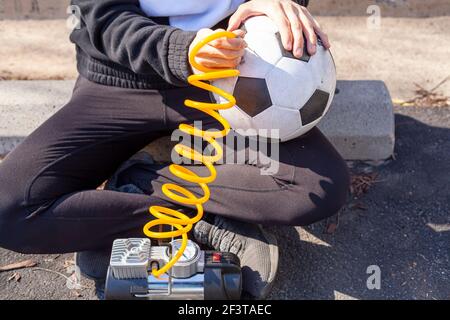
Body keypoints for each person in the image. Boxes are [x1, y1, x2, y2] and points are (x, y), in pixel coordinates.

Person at [0, 0, 349, 299]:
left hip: (232, 78)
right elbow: (102, 16)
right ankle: (192, 217)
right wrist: (181, 51)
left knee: (317, 187)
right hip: (121, 79)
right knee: (9, 212)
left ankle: (139, 182)